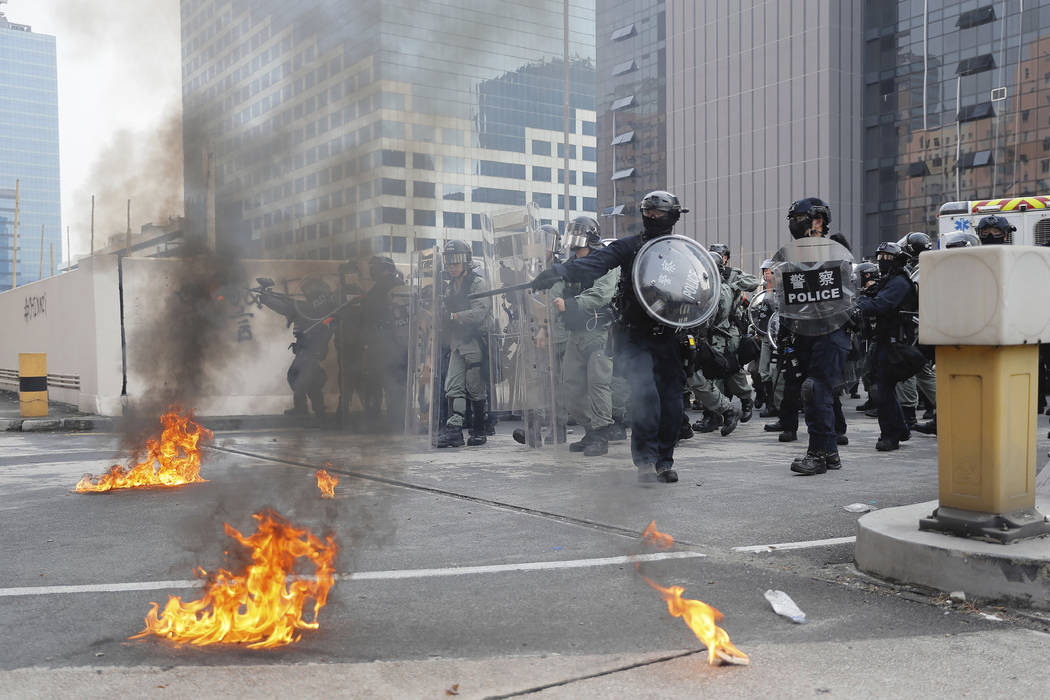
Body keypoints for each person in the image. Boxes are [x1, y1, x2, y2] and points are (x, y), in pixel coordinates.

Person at [531, 190, 696, 483]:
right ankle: (645, 460)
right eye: (649, 212)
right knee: (645, 395)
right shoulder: (629, 247)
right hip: (636, 334)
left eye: (659, 213)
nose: (653, 218)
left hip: (669, 335)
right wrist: (559, 271)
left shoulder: (683, 254)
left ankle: (664, 461)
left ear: (672, 217)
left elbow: (697, 292)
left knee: (671, 401)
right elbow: (594, 263)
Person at [777, 197, 853, 476]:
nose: (794, 225)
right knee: (812, 391)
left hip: (831, 329)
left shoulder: (835, 252)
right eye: (793, 220)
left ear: (817, 221)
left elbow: (845, 293)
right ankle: (830, 453)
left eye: (799, 219)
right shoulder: (793, 255)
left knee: (816, 389)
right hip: (804, 331)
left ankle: (818, 454)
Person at [553, 216, 619, 456]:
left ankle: (601, 435)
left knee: (598, 384)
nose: (574, 248)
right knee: (570, 386)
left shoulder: (607, 263)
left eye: (579, 243)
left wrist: (571, 303)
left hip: (599, 331)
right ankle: (591, 429)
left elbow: (602, 293)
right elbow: (556, 290)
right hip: (576, 333)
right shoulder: (571, 265)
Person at [855, 241, 919, 452]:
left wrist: (860, 302)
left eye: (887, 257)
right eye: (880, 256)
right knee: (884, 389)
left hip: (894, 344)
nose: (882, 261)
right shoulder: (889, 281)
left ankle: (890, 435)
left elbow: (880, 306)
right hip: (885, 341)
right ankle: (900, 429)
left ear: (898, 260)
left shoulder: (899, 282)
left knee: (882, 390)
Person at [690, 242, 756, 433]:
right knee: (715, 372)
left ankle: (742, 402)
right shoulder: (706, 277)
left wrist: (734, 283)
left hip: (728, 332)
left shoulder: (731, 275)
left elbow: (753, 282)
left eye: (720, 256)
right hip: (710, 333)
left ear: (726, 258)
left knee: (728, 371)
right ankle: (714, 415)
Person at [436, 240, 492, 448]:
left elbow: (479, 312)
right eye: (449, 261)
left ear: (466, 262)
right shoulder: (450, 287)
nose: (451, 266)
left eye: (456, 261)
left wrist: (454, 315)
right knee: (453, 385)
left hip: (475, 342)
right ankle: (454, 430)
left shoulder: (478, 283)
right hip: (457, 342)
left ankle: (479, 429)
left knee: (475, 387)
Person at [256, 277, 336, 419]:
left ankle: (303, 408)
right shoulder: (317, 307)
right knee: (310, 378)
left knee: (296, 376)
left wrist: (266, 298)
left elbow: (287, 308)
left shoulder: (309, 308)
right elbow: (291, 307)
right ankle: (317, 409)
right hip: (308, 348)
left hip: (309, 349)